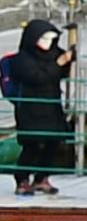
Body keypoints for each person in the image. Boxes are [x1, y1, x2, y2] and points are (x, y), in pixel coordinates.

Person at [7, 19, 76, 199]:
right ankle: (22, 179)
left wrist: (69, 59)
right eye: (43, 39)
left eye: (51, 39)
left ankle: (42, 177)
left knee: (54, 142)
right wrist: (59, 63)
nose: (48, 44)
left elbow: (62, 69)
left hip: (51, 106)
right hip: (30, 108)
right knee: (32, 144)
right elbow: (37, 77)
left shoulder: (54, 53)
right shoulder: (22, 59)